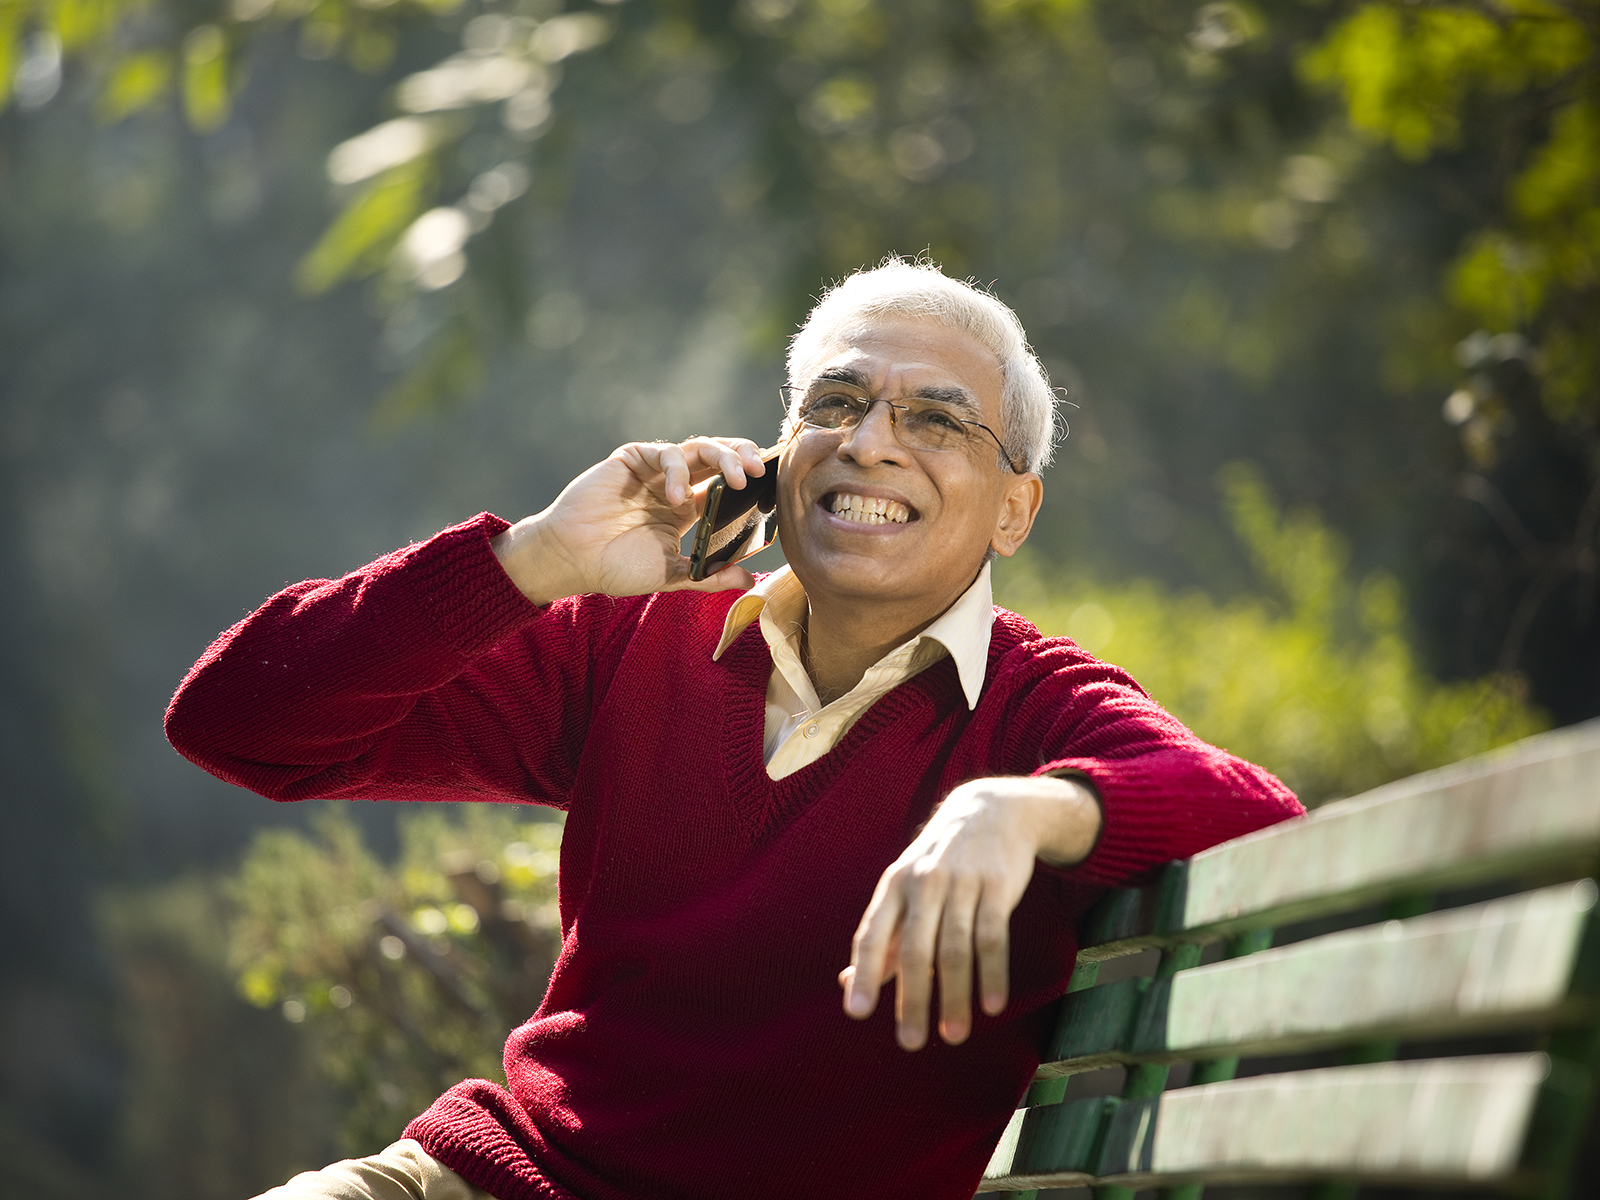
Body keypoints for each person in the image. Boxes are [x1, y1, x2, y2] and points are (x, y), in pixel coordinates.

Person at [166, 259, 1301, 1200]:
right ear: (777, 453)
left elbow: (1258, 816)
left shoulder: (1033, 705)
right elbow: (241, 722)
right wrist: (536, 563)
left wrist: (1023, 808)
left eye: (936, 420)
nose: (870, 442)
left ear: (1014, 508)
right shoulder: (626, 641)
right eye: (836, 405)